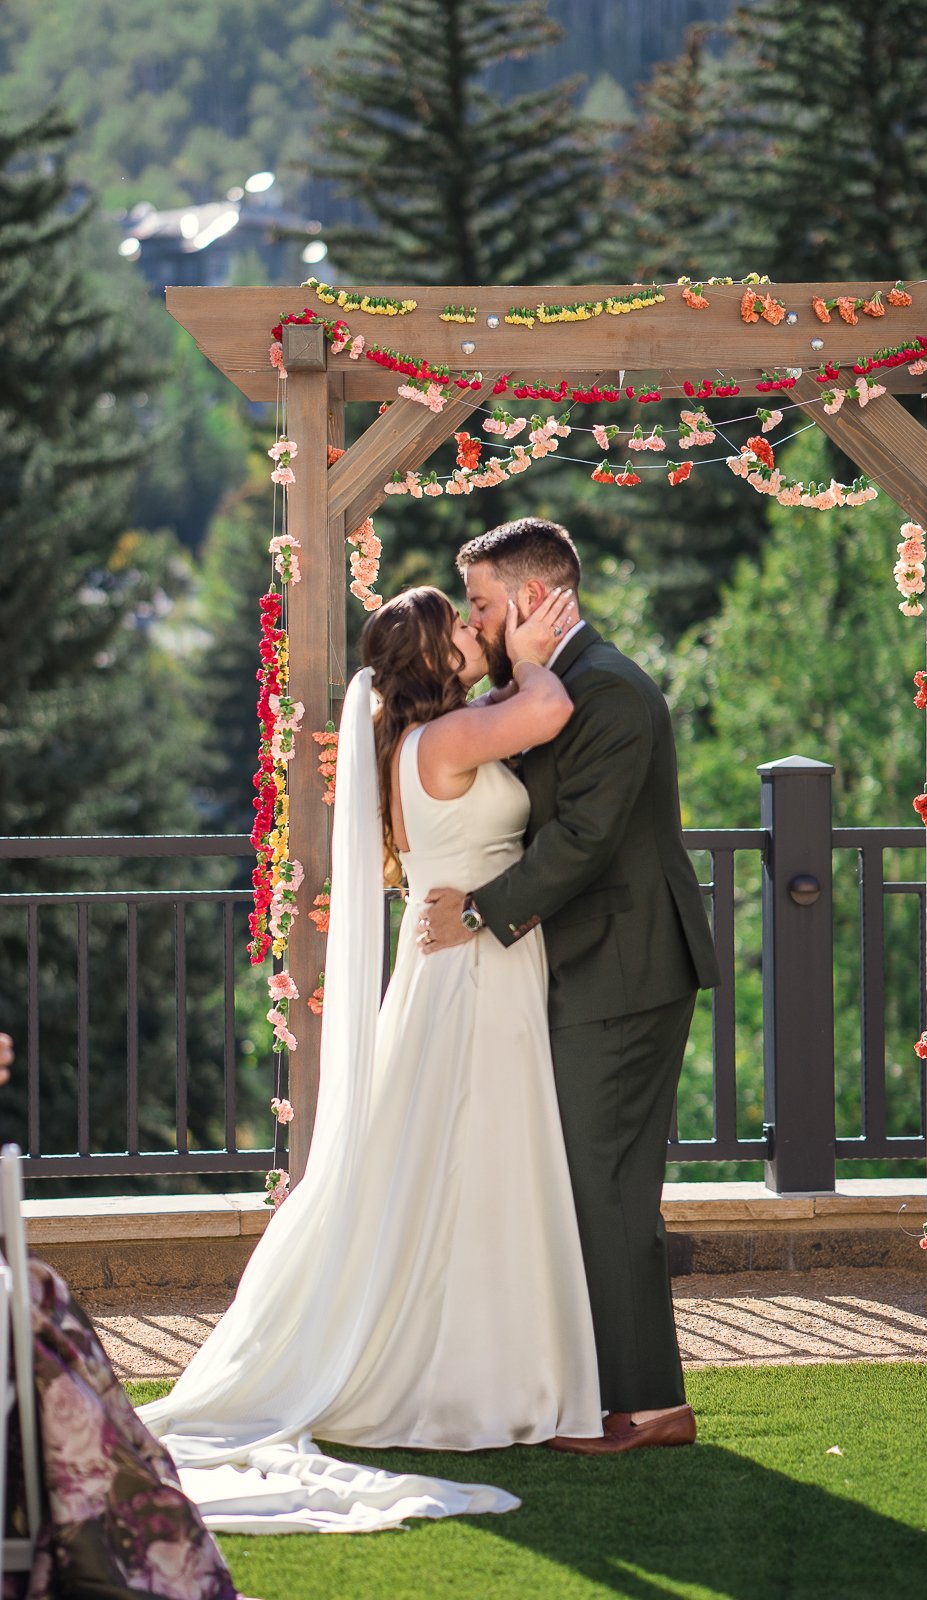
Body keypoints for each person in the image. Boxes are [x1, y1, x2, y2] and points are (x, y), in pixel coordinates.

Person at [137, 584, 602, 1532]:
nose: (474, 630)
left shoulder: (430, 735)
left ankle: (486, 1364)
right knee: (473, 1156)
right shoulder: (445, 739)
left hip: (466, 958)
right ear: (432, 658)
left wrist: (504, 670)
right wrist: (529, 654)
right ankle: (466, 1381)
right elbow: (549, 709)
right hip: (470, 969)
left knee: (459, 1160)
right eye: (460, 627)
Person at [420, 518, 720, 1455]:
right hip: (582, 966)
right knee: (583, 1182)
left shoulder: (611, 691)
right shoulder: (548, 686)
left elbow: (583, 840)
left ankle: (648, 1405)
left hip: (626, 969)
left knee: (606, 1187)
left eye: (479, 603)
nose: (472, 619)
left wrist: (476, 911)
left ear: (529, 597)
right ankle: (590, 1389)